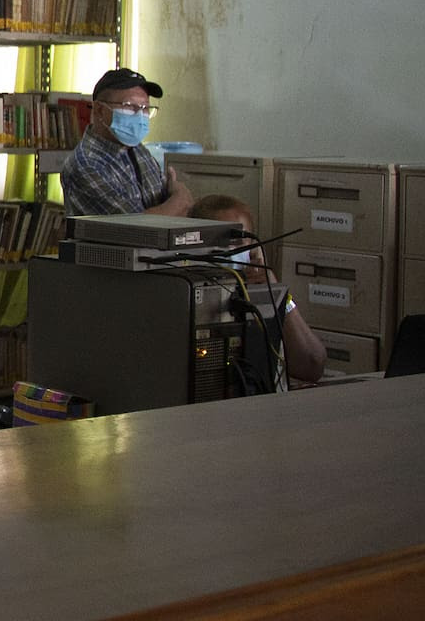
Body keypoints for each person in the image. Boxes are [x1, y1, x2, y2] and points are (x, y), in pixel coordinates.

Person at [188, 193, 327, 385]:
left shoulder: (263, 292)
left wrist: (277, 295)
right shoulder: (186, 296)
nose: (229, 251)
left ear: (253, 248)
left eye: (237, 241)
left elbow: (312, 365)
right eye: (218, 243)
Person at [58, 67, 194, 218]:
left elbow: (171, 208)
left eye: (145, 108)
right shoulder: (86, 164)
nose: (140, 116)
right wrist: (180, 196)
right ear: (99, 110)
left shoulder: (138, 150)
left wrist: (174, 203)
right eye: (129, 106)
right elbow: (136, 226)